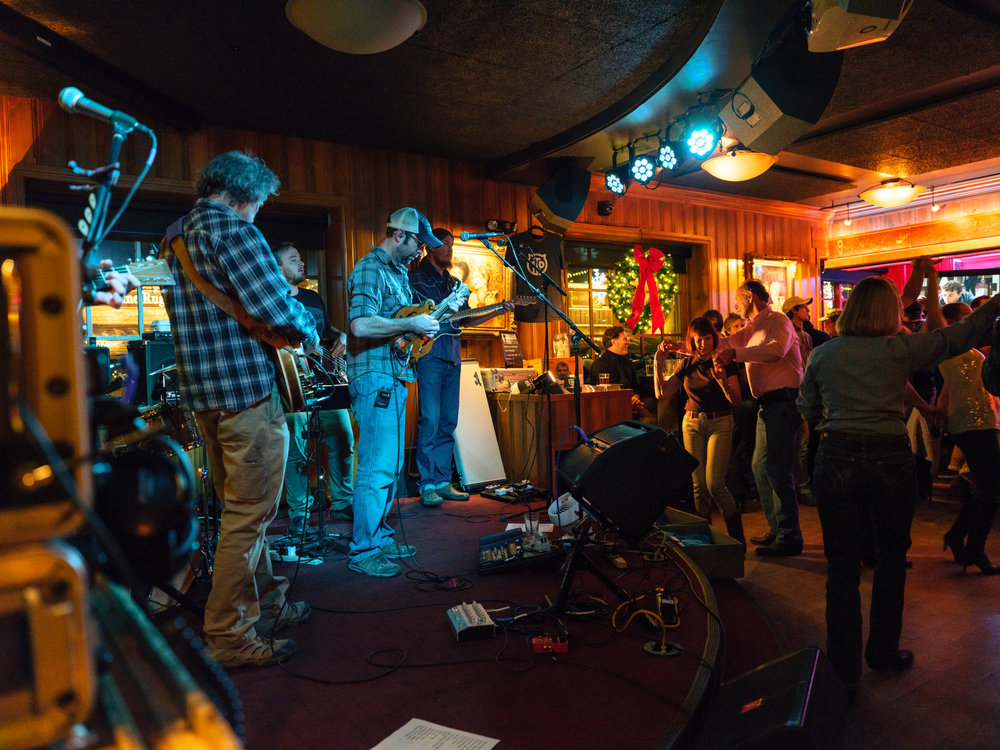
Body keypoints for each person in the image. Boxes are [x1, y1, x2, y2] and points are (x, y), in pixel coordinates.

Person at [797, 269, 1000, 701]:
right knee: (891, 561)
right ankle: (884, 651)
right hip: (889, 458)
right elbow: (959, 336)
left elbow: (807, 408)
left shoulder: (823, 354)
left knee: (842, 569)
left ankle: (844, 673)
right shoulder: (900, 349)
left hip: (836, 457)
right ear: (890, 312)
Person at [161, 151, 319, 667]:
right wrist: (312, 328)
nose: (259, 214)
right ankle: (229, 637)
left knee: (238, 513)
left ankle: (269, 601)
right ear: (244, 194)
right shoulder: (235, 231)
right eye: (260, 203)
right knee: (249, 518)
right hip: (246, 394)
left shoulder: (175, 235)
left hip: (204, 395)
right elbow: (277, 308)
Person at [346, 207, 456, 578]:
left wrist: (420, 328)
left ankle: (378, 535)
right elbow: (360, 325)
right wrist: (411, 321)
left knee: (390, 466)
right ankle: (362, 551)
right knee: (376, 467)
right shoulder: (369, 268)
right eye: (417, 244)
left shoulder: (397, 273)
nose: (420, 252)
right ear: (400, 235)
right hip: (374, 377)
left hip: (394, 375)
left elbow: (399, 328)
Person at [408, 227, 511, 508]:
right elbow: (413, 314)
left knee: (448, 421)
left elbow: (464, 320)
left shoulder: (455, 283)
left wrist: (495, 310)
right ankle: (427, 483)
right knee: (430, 419)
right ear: (430, 247)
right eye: (444, 244)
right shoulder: (416, 278)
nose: (449, 249)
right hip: (429, 355)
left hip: (453, 356)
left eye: (452, 244)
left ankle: (442, 481)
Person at [714, 279, 804, 556]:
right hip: (767, 406)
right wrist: (686, 343)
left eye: (738, 300)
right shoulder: (752, 327)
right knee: (760, 467)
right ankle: (778, 528)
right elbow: (723, 344)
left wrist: (736, 353)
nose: (735, 306)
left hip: (784, 403)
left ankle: (789, 537)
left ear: (750, 296)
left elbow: (776, 350)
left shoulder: (778, 320)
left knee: (777, 469)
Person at [272, 242, 355, 535]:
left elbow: (327, 332)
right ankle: (299, 513)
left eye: (301, 258)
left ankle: (343, 503)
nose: (301, 263)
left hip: (324, 377)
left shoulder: (313, 296)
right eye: (294, 260)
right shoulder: (273, 299)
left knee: (343, 438)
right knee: (297, 449)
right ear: (278, 267)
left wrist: (342, 334)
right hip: (292, 381)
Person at [654, 317, 744, 546]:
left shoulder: (724, 362)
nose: (703, 344)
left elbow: (736, 400)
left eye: (707, 339)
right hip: (692, 422)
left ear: (714, 339)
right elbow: (662, 393)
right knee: (699, 485)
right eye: (698, 339)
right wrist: (658, 361)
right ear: (692, 341)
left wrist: (723, 381)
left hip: (720, 421)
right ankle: (705, 540)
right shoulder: (687, 363)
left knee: (715, 483)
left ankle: (737, 537)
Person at [933, 302, 1000, 574]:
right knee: (992, 488)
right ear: (952, 324)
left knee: (987, 486)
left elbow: (954, 385)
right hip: (971, 424)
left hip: (982, 421)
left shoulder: (967, 349)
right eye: (968, 319)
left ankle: (958, 537)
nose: (976, 323)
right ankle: (975, 548)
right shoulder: (946, 345)